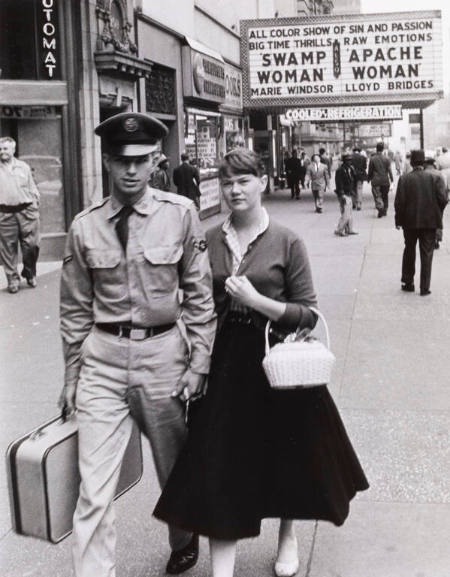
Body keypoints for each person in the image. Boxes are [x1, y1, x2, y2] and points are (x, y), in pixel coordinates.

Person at [154, 148, 369, 577]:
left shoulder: (287, 240)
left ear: (262, 183)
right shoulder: (208, 239)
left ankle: (287, 537)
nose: (235, 190)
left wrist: (258, 301)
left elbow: (307, 312)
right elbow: (196, 301)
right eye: (228, 182)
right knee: (220, 461)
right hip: (225, 361)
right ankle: (223, 568)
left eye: (244, 181)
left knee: (287, 453)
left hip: (277, 361)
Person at [59, 112, 217, 577]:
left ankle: (184, 536)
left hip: (164, 359)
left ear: (155, 162)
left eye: (141, 160)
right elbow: (73, 310)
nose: (131, 170)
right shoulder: (84, 226)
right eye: (122, 161)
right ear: (107, 162)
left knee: (174, 471)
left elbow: (200, 296)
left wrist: (199, 363)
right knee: (93, 489)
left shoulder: (180, 214)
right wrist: (71, 376)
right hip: (102, 363)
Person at [394, 149, 447, 296]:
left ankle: (408, 282)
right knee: (427, 254)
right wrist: (436, 213)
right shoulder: (434, 178)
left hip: (409, 223)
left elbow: (399, 203)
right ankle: (424, 288)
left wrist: (398, 220)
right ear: (423, 163)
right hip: (429, 222)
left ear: (411, 163)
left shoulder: (404, 179)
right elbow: (443, 199)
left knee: (409, 250)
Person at [0, 136, 40, 293]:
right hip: (5, 213)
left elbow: (33, 188)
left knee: (32, 245)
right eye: (0, 148)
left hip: (27, 211)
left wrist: (36, 205)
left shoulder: (23, 167)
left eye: (5, 148)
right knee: (7, 249)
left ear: (13, 150)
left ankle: (29, 272)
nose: (2, 151)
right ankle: (12, 280)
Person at [424, 155, 447, 249]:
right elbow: (443, 193)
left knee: (427, 223)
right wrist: (442, 205)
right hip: (437, 204)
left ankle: (428, 239)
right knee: (438, 221)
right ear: (433, 164)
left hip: (425, 204)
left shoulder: (422, 174)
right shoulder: (439, 174)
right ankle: (437, 240)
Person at [367, 142, 394, 218]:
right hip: (385, 181)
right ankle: (385, 210)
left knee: (378, 196)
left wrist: (368, 178)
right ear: (383, 149)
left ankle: (380, 208)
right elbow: (389, 170)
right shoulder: (387, 159)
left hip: (376, 181)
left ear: (376, 149)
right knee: (385, 196)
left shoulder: (372, 159)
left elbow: (370, 170)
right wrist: (392, 179)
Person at [334, 154, 358, 237]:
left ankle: (349, 229)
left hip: (349, 193)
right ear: (344, 161)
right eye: (348, 160)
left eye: (350, 160)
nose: (350, 162)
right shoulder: (340, 170)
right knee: (346, 213)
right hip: (344, 194)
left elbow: (353, 180)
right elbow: (338, 183)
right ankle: (339, 229)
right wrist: (342, 194)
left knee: (349, 212)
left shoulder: (350, 169)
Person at [350, 146, 367, 210]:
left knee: (353, 189)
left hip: (352, 175)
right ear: (359, 151)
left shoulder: (350, 157)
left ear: (354, 151)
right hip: (360, 176)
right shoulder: (363, 158)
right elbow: (365, 167)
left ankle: (354, 203)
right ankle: (359, 204)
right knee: (359, 189)